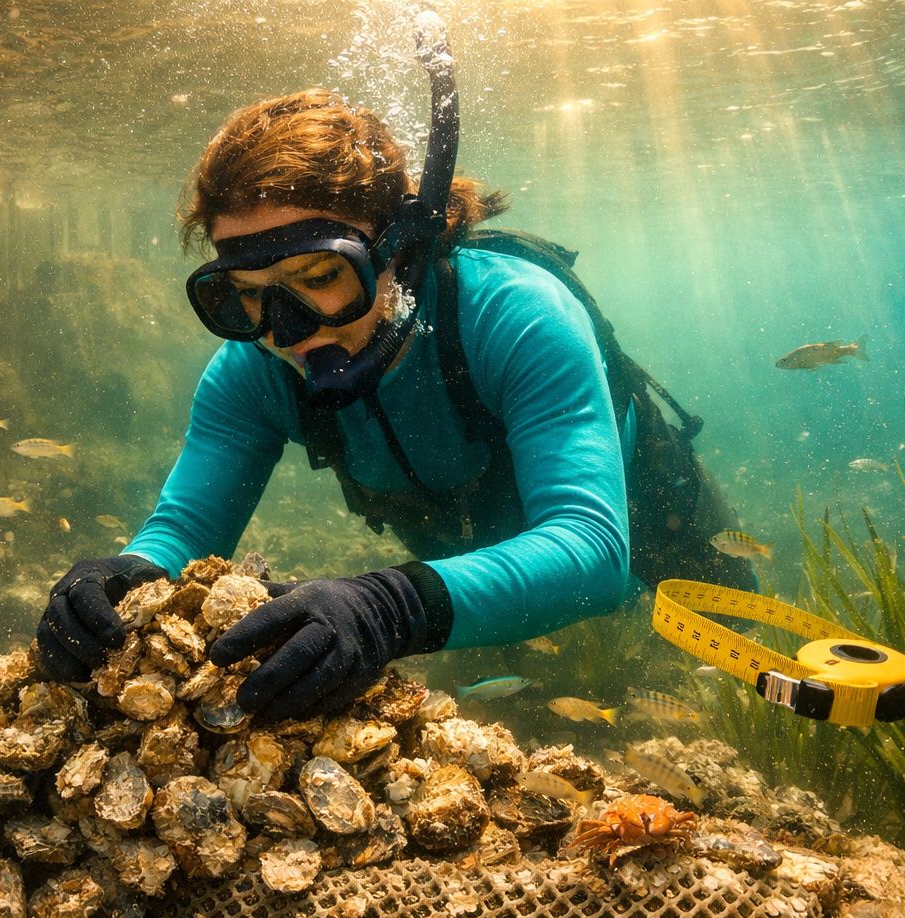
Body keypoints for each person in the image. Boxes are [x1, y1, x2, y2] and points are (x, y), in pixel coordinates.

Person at [35, 86, 640, 721]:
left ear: (399, 252)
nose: (286, 330)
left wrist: (387, 608)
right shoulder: (251, 371)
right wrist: (127, 575)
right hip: (454, 549)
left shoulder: (517, 317)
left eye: (320, 277)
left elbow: (592, 551)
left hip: (643, 507)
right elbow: (184, 531)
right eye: (246, 293)